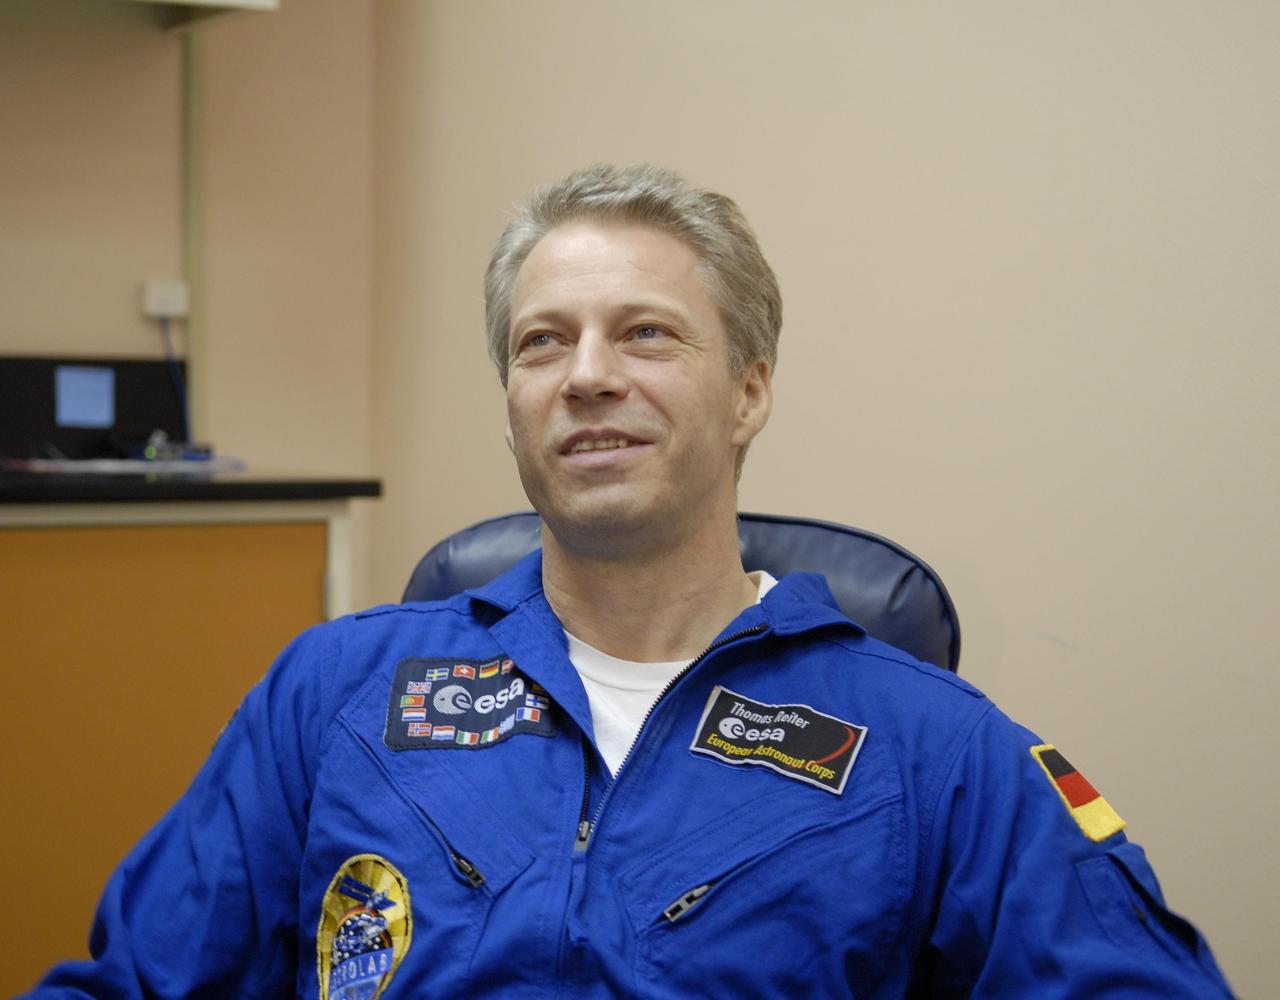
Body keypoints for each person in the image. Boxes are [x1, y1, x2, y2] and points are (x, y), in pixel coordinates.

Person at [29, 165, 1232, 999]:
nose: (585, 375)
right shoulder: (333, 693)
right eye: (541, 341)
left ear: (748, 389)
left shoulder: (934, 751)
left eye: (645, 334)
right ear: (510, 403)